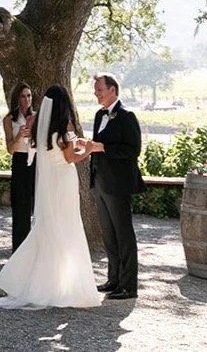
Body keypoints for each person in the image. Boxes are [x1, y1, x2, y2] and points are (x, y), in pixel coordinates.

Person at [0, 84, 100, 310]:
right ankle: (65, 284)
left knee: (50, 228)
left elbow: (54, 151)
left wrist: (76, 145)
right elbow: (71, 157)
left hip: (50, 185)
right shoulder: (64, 126)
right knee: (67, 228)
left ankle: (37, 280)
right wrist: (88, 149)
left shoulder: (40, 129)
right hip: (65, 182)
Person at [77, 73, 143, 300]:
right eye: (96, 91)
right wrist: (88, 148)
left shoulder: (127, 116)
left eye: (100, 91)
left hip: (119, 184)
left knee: (124, 234)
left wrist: (101, 147)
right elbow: (98, 147)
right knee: (108, 234)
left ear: (113, 90)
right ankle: (113, 279)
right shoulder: (99, 115)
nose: (96, 94)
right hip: (101, 182)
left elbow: (133, 151)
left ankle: (128, 286)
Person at [2, 83, 36, 251]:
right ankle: (19, 250)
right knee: (20, 208)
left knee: (38, 205)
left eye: (29, 96)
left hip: (36, 160)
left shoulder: (36, 117)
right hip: (20, 161)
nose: (26, 100)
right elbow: (10, 149)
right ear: (17, 98)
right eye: (23, 96)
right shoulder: (9, 120)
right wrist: (18, 137)